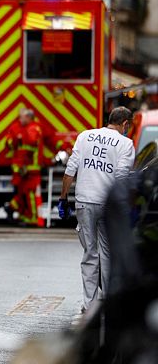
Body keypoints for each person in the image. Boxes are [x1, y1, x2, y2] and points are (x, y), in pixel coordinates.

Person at [58, 107, 135, 313]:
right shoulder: (125, 144)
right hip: (108, 205)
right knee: (108, 254)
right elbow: (121, 179)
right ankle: (109, 302)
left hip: (84, 202)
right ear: (125, 124)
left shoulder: (85, 136)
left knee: (89, 254)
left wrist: (63, 198)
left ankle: (89, 305)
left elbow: (70, 171)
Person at [6, 109, 43, 226]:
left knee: (29, 193)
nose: (20, 119)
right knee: (23, 193)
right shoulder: (22, 128)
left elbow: (29, 147)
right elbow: (10, 143)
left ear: (28, 117)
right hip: (23, 168)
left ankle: (30, 217)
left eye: (22, 117)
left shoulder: (32, 129)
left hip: (29, 168)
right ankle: (20, 212)